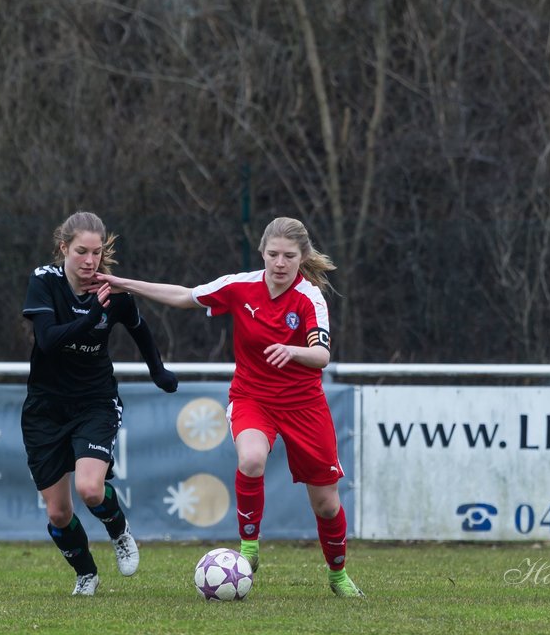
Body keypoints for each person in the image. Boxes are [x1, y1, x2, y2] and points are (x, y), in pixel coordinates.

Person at [98, 216, 363, 597]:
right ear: (262, 253)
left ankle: (337, 575)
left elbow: (321, 355)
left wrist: (293, 350)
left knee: (325, 503)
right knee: (251, 459)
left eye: (289, 256)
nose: (280, 263)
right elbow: (184, 296)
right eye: (273, 254)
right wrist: (123, 283)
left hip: (304, 406)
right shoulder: (240, 286)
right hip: (252, 398)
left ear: (301, 257)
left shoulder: (310, 298)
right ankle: (249, 548)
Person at [21, 211, 179, 596]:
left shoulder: (114, 291)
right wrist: (93, 315)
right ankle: (86, 573)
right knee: (58, 512)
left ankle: (119, 530)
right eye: (81, 252)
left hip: (95, 400)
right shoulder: (44, 282)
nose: (90, 261)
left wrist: (158, 371)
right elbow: (48, 341)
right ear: (64, 248)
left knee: (91, 489)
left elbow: (139, 329)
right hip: (45, 407)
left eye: (96, 252)